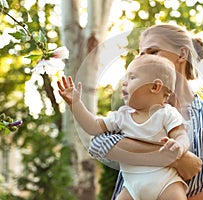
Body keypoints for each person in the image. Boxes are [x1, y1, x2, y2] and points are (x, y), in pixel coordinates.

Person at [89, 24, 203, 200]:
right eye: (141, 55)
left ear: (181, 55)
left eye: (153, 52)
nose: (145, 62)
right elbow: (97, 143)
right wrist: (176, 158)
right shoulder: (132, 112)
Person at [57, 54, 191, 200]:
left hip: (166, 183)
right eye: (125, 78)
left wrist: (179, 146)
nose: (124, 82)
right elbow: (93, 127)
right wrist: (76, 105)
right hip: (132, 189)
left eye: (132, 77)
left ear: (155, 86)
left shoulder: (167, 113)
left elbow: (181, 135)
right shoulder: (121, 116)